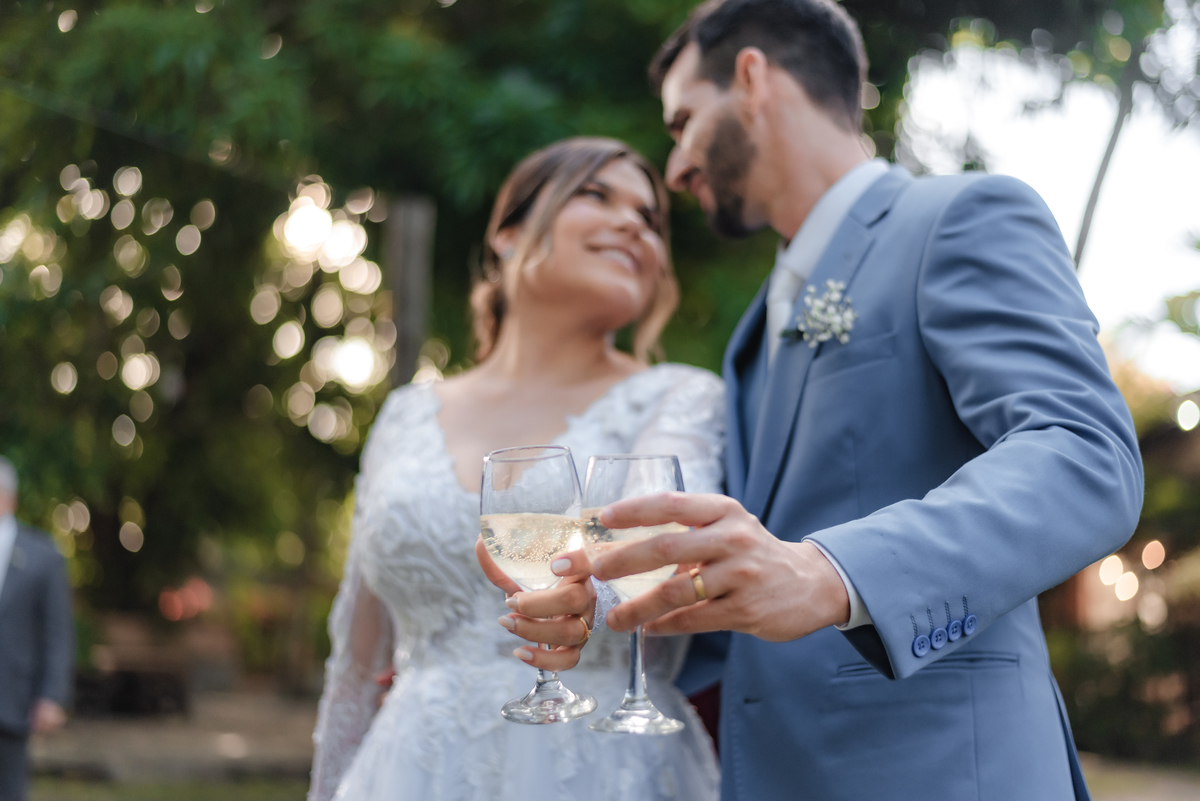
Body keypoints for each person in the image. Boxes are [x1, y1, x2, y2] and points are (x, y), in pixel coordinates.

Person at [490, 2, 1144, 799]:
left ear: (753, 77)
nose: (676, 167)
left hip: (942, 771)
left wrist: (831, 572)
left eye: (684, 120)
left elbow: (1085, 456)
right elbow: (743, 578)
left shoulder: (957, 217)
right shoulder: (749, 332)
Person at [308, 137, 725, 801]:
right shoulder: (405, 415)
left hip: (600, 767)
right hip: (410, 771)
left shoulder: (680, 397)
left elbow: (662, 542)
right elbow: (356, 669)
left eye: (650, 218)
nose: (633, 225)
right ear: (507, 234)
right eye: (597, 195)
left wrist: (589, 599)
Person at [0, 457, 74, 801]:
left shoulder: (43, 555)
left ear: (8, 497)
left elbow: (58, 631)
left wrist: (51, 695)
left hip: (12, 700)